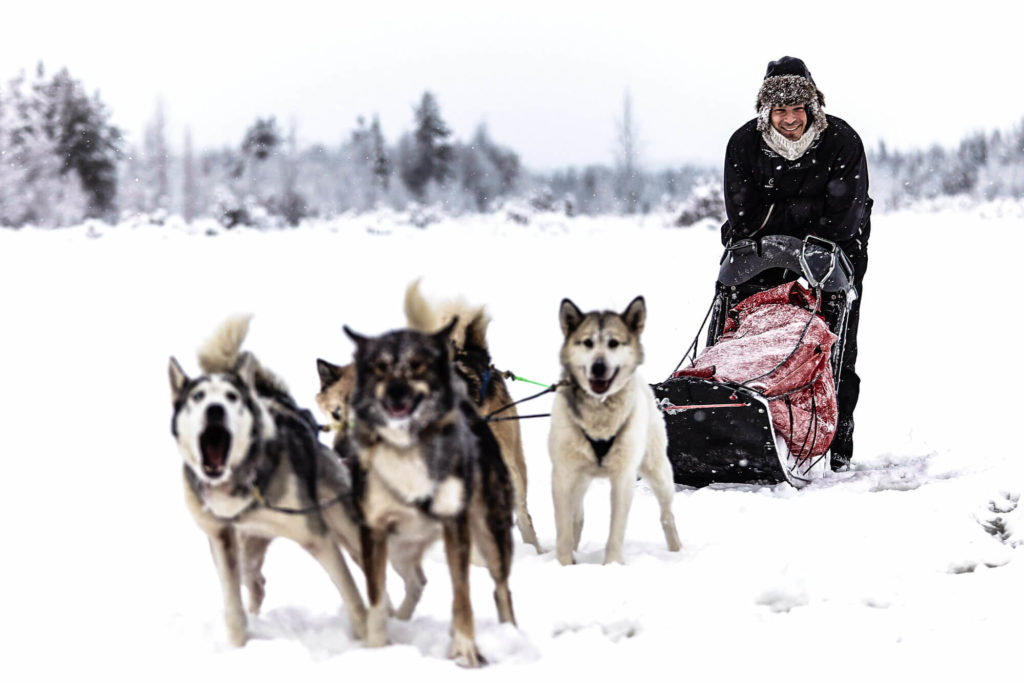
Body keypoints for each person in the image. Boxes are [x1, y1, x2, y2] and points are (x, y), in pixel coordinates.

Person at [720, 56, 872, 470]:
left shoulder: (841, 140)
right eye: (780, 110)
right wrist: (800, 213)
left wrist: (782, 213)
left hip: (836, 250)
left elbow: (845, 211)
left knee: (834, 345)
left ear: (813, 107)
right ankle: (739, 428)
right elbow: (743, 215)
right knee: (750, 336)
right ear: (767, 111)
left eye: (797, 109)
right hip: (759, 253)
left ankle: (835, 445)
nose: (789, 119)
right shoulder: (744, 144)